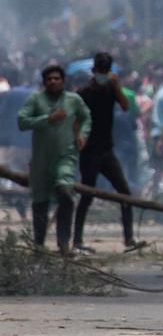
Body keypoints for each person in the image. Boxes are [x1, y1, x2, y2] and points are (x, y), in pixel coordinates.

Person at [73, 52, 145, 253]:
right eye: (100, 71)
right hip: (89, 151)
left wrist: (116, 85)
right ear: (94, 71)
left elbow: (124, 106)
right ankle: (77, 240)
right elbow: (76, 120)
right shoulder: (84, 93)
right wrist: (77, 138)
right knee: (87, 195)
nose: (103, 74)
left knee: (125, 193)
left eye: (106, 71)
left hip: (107, 149)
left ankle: (129, 238)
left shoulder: (111, 90)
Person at [17, 65, 90, 254]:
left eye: (56, 78)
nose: (53, 81)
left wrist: (82, 135)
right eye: (49, 79)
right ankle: (39, 245)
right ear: (44, 82)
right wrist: (47, 119)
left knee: (65, 193)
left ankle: (63, 241)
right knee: (40, 203)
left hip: (66, 156)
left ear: (63, 81)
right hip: (41, 160)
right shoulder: (35, 99)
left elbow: (86, 117)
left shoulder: (73, 100)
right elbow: (22, 122)